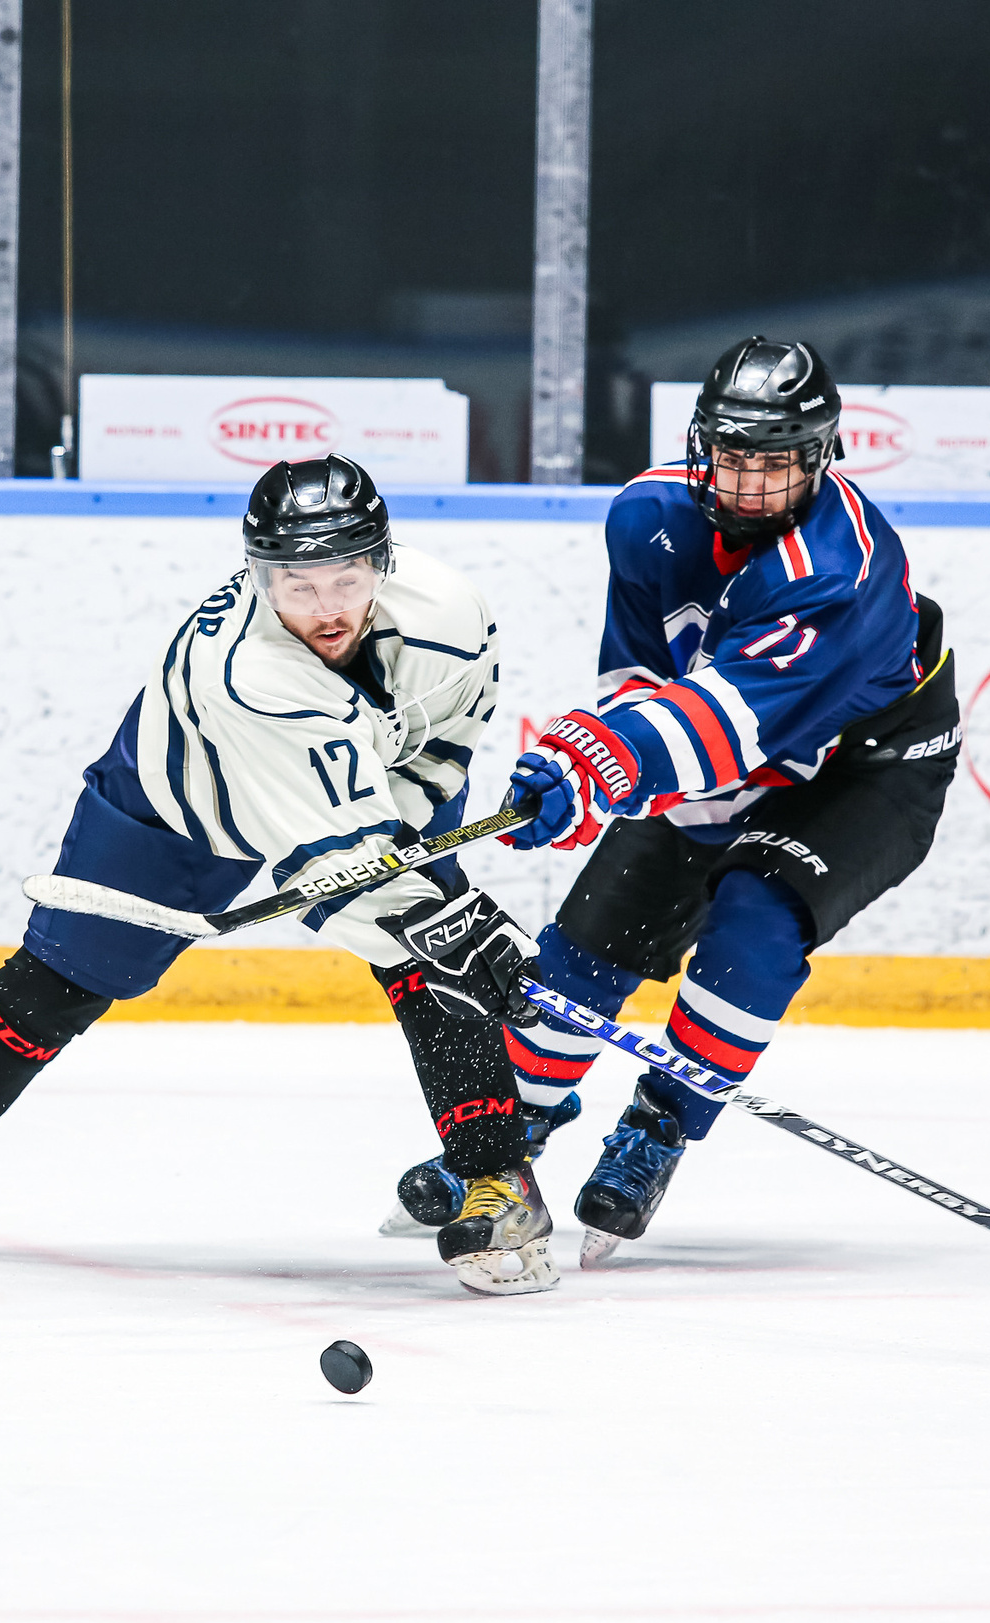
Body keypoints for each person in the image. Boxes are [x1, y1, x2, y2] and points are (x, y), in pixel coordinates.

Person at [0, 454, 562, 1294]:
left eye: (344, 578)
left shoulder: (452, 613)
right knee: (56, 984)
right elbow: (335, 869)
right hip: (180, 800)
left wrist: (420, 866)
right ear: (258, 574)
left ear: (380, 559)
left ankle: (495, 1174)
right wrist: (433, 917)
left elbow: (444, 742)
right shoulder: (248, 674)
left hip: (357, 794)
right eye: (295, 585)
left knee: (430, 959)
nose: (324, 607)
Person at [382, 336, 959, 1262]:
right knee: (586, 949)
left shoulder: (840, 569)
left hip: (863, 766)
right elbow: (646, 676)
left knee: (756, 925)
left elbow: (736, 717)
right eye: (734, 455)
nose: (751, 480)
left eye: (777, 461)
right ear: (703, 443)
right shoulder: (649, 515)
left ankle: (659, 1125)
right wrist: (589, 764)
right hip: (724, 746)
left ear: (822, 457)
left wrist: (604, 763)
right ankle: (505, 1139)